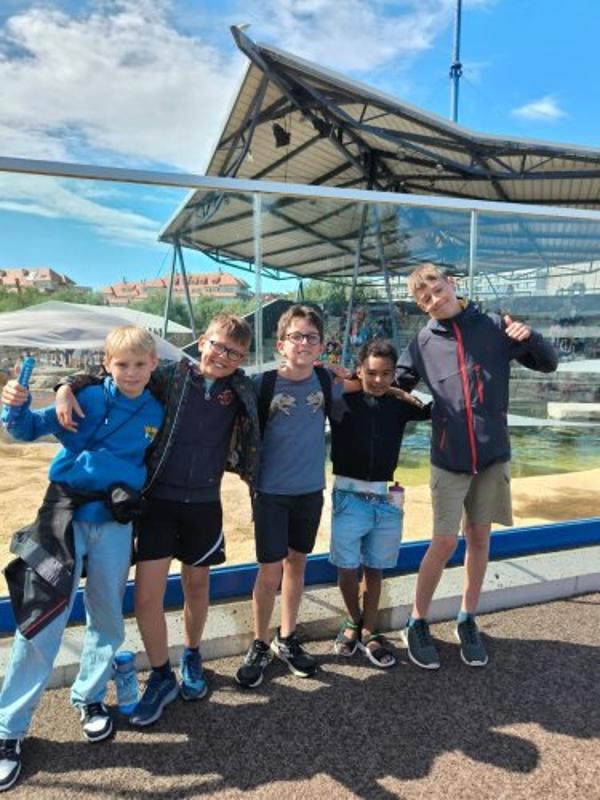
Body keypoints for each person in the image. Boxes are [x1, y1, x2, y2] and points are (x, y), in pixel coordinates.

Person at [53, 313, 260, 726]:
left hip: (204, 503)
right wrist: (64, 387)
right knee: (147, 597)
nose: (223, 356)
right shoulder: (168, 375)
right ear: (202, 341)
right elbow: (112, 372)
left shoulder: (241, 389)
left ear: (242, 359)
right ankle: (162, 674)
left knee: (197, 585)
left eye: (235, 353)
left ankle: (193, 655)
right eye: (218, 345)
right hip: (157, 501)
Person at [0, 326, 164, 793]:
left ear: (153, 365)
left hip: (115, 522)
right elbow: (25, 430)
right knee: (42, 618)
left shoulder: (156, 410)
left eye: (140, 364)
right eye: (121, 364)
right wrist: (16, 404)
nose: (131, 372)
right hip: (64, 517)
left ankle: (89, 696)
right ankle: (9, 728)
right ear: (106, 365)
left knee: (107, 615)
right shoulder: (85, 397)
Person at [395, 263, 558, 670]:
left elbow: (548, 363)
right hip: (448, 458)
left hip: (492, 455)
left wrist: (530, 336)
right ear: (420, 306)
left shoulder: (493, 325)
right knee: (443, 542)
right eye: (424, 299)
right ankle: (416, 621)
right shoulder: (423, 340)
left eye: (437, 290)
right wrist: (362, 384)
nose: (434, 300)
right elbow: (397, 384)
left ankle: (467, 618)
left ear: (451, 284)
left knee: (480, 538)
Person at [235, 304, 346, 689]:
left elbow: (368, 385)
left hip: (310, 490)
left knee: (296, 564)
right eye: (295, 336)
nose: (303, 343)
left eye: (311, 337)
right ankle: (259, 642)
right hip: (270, 492)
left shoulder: (327, 380)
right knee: (269, 570)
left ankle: (287, 637)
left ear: (321, 346)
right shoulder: (261, 384)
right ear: (281, 344)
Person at [329, 339, 430, 667]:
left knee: (375, 568)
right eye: (371, 372)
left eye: (386, 374)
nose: (378, 380)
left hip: (386, 499)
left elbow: (431, 409)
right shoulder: (342, 400)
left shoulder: (398, 405)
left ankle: (369, 629)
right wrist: (349, 380)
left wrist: (399, 393)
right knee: (347, 568)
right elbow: (319, 381)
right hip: (348, 496)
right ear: (359, 370)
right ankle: (353, 619)